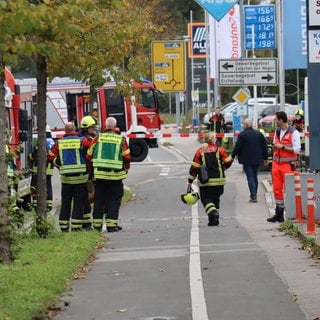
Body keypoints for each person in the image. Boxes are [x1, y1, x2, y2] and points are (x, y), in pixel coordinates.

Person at [86, 117, 131, 232]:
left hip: (100, 176)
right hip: (116, 177)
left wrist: (91, 171)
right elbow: (127, 157)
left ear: (105, 126)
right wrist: (125, 170)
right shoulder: (120, 139)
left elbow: (89, 156)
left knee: (99, 200)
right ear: (115, 127)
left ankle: (96, 225)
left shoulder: (97, 138)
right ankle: (111, 225)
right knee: (114, 200)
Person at [48, 122, 89, 232]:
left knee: (65, 202)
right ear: (74, 129)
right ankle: (76, 227)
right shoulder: (82, 140)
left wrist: (59, 164)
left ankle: (64, 226)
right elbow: (89, 153)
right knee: (78, 202)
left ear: (65, 131)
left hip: (66, 179)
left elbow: (50, 156)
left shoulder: (59, 143)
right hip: (80, 178)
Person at [187, 132, 233, 226]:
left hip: (205, 181)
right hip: (219, 181)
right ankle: (213, 220)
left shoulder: (200, 151)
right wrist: (223, 167)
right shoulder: (220, 150)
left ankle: (213, 214)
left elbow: (194, 168)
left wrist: (190, 181)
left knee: (206, 200)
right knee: (216, 200)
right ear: (213, 140)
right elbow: (228, 161)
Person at [267, 111, 301, 223]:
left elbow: (297, 149)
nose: (274, 121)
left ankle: (292, 213)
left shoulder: (294, 132)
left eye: (276, 119)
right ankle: (279, 213)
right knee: (277, 189)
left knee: (289, 189)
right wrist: (275, 148)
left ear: (281, 120)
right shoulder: (277, 131)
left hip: (288, 165)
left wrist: (282, 147)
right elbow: (275, 145)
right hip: (276, 164)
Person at [230, 118, 269, 203]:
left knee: (250, 177)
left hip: (247, 159)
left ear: (246, 125)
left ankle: (253, 195)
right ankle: (254, 193)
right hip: (257, 159)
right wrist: (265, 158)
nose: (242, 126)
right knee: (255, 176)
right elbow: (264, 147)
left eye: (243, 124)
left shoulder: (242, 135)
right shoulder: (259, 134)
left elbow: (238, 147)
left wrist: (232, 156)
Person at [28, 125, 55, 211]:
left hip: (39, 167)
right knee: (48, 185)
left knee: (35, 185)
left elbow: (35, 155)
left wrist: (30, 157)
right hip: (49, 167)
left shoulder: (42, 141)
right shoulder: (51, 141)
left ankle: (36, 204)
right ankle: (49, 204)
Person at [78, 115, 98, 230]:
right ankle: (86, 224)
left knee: (88, 199)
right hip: (86, 173)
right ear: (86, 128)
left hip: (87, 173)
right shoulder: (85, 141)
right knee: (86, 199)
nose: (94, 129)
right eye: (92, 127)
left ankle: (86, 223)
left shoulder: (85, 139)